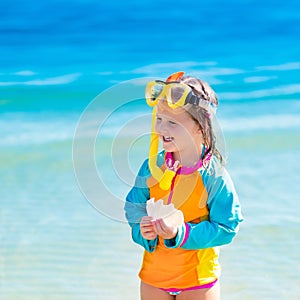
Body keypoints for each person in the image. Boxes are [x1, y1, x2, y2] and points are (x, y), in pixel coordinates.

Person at [124, 71, 243, 300]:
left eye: (172, 123)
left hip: (198, 281)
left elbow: (228, 226)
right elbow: (133, 206)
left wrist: (181, 233)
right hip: (154, 279)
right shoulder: (152, 167)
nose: (162, 129)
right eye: (159, 119)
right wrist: (142, 230)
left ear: (200, 127)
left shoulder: (213, 175)